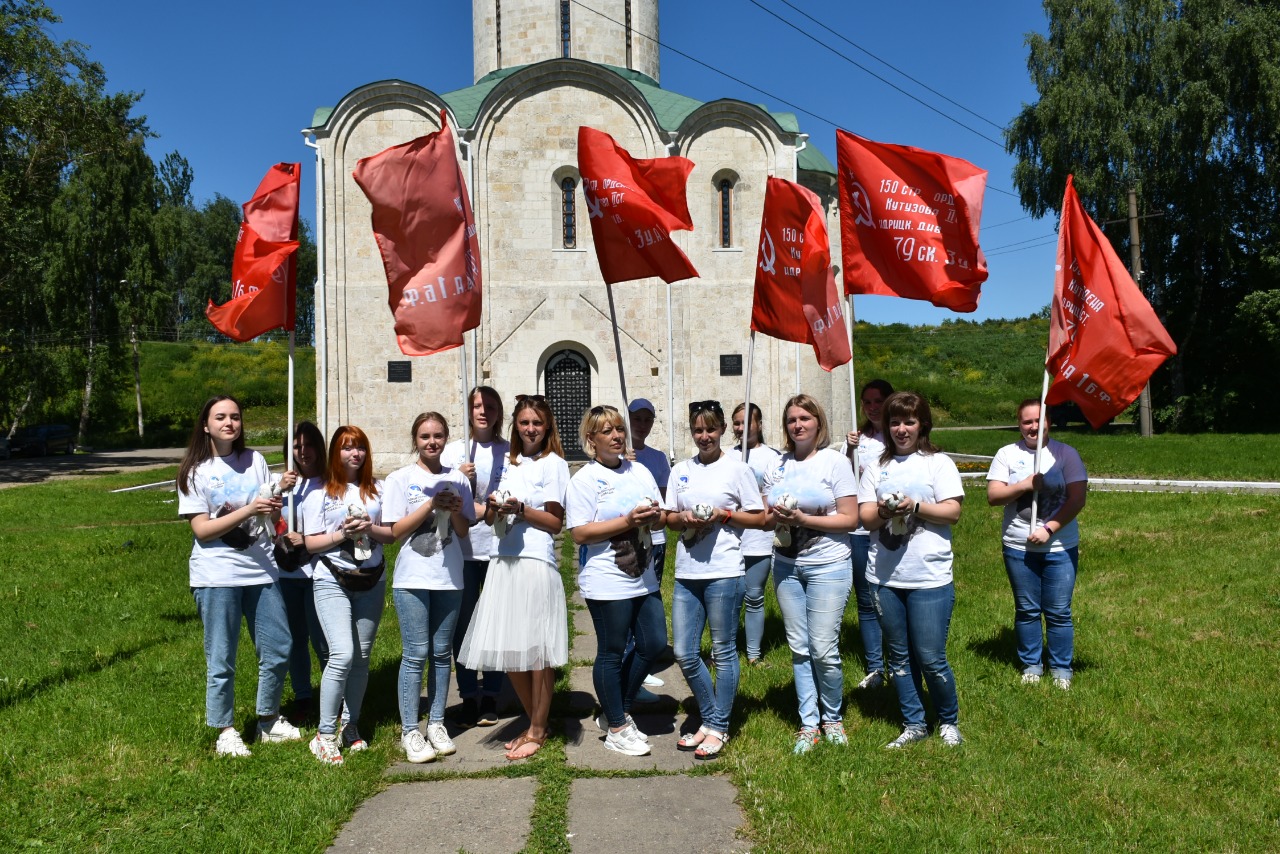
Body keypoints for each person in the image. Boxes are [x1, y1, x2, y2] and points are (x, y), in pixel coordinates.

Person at [177, 395, 301, 757]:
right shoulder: (194, 471)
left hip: (261, 569)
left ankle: (268, 719)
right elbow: (202, 530)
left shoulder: (255, 460)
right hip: (216, 575)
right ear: (206, 425)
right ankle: (225, 730)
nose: (229, 423)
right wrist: (250, 507)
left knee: (278, 647)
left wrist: (278, 491)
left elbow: (265, 506)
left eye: (235, 416)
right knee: (222, 656)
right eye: (220, 417)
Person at [458, 394, 570, 760]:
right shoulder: (511, 463)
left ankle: (538, 727)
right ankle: (534, 720)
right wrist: (493, 508)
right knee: (511, 650)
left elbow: (555, 522)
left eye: (537, 423)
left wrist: (522, 509)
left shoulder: (554, 464)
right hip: (502, 558)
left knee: (538, 650)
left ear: (547, 426)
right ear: (516, 427)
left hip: (535, 559)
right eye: (524, 423)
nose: (530, 429)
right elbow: (490, 520)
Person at [858, 391, 966, 749]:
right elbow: (864, 517)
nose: (901, 429)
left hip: (929, 576)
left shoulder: (939, 463)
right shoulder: (876, 466)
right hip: (886, 577)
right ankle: (913, 722)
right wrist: (886, 512)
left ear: (923, 425)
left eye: (909, 421)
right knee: (899, 658)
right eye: (894, 422)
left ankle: (948, 720)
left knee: (932, 657)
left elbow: (952, 511)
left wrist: (916, 505)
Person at [663, 400, 765, 759]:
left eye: (710, 429)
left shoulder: (737, 469)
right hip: (688, 572)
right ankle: (710, 718)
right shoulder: (681, 471)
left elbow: (760, 519)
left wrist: (724, 515)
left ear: (722, 429)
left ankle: (718, 726)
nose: (704, 436)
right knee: (685, 653)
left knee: (722, 651)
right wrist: (685, 519)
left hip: (724, 571)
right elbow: (668, 519)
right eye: (698, 430)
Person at [566, 405, 668, 757]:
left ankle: (616, 711)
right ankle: (618, 728)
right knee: (611, 651)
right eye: (606, 431)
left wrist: (656, 517)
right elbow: (580, 533)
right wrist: (627, 520)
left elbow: (660, 517)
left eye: (619, 429)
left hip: (643, 574)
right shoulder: (584, 480)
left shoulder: (639, 471)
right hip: (607, 578)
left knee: (654, 643)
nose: (616, 436)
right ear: (591, 440)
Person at [763, 394, 860, 754]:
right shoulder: (778, 465)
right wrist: (774, 514)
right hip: (786, 565)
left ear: (818, 423)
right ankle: (808, 723)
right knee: (799, 647)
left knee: (823, 648)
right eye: (791, 419)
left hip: (829, 564)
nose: (798, 425)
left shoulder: (834, 463)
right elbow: (764, 516)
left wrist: (804, 519)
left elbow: (850, 519)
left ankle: (833, 717)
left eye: (805, 418)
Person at [383, 412, 475, 764]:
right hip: (412, 579)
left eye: (438, 436)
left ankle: (436, 722)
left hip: (449, 578)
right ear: (415, 441)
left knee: (441, 654)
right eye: (424, 437)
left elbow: (464, 531)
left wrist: (453, 510)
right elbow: (394, 533)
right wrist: (429, 504)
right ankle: (410, 730)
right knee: (415, 653)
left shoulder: (457, 480)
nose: (432, 442)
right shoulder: (400, 479)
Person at [298, 425, 393, 765]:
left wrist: (370, 528)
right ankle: (323, 735)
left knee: (362, 657)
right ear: (334, 454)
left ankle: (349, 726)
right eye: (347, 448)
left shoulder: (378, 490)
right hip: (332, 578)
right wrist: (341, 535)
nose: (355, 454)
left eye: (360, 448)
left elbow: (390, 534)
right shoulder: (319, 493)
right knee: (342, 653)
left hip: (371, 578)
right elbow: (310, 544)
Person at [986, 398, 1087, 690]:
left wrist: (1049, 529)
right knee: (1027, 609)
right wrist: (1024, 485)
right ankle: (1031, 663)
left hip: (1060, 547)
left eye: (1038, 421)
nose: (1033, 427)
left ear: (1048, 423)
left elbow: (1077, 499)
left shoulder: (1065, 455)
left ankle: (1061, 669)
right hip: (1018, 548)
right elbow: (994, 496)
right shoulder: (1006, 454)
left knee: (1058, 611)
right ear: (1019, 425)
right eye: (1026, 421)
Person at [443, 386, 509, 727]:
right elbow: (441, 492)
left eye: (491, 407)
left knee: (495, 622)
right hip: (463, 550)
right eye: (478, 406)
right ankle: (469, 694)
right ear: (469, 411)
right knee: (465, 625)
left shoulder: (508, 451)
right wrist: (460, 479)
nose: (484, 411)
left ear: (499, 413)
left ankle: (492, 695)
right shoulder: (456, 452)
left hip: (498, 548)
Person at [839, 379, 895, 690]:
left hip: (895, 528)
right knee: (866, 598)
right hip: (862, 528)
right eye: (867, 402)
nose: (873, 407)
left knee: (891, 594)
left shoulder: (900, 435)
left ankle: (898, 658)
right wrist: (849, 449)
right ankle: (875, 666)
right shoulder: (860, 440)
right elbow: (846, 478)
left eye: (878, 401)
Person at [274, 421, 329, 720]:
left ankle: (332, 695)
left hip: (319, 572)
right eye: (297, 446)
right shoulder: (282, 484)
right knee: (295, 638)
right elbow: (268, 523)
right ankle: (303, 696)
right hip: (287, 574)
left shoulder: (329, 483)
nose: (303, 452)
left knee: (322, 640)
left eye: (309, 445)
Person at [627, 398, 671, 697]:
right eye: (637, 419)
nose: (642, 424)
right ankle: (629, 664)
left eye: (647, 419)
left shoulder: (658, 458)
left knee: (648, 599)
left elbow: (664, 500)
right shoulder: (621, 456)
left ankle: (642, 662)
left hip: (654, 540)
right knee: (627, 602)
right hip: (628, 541)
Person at [732, 402, 782, 666]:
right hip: (730, 540)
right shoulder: (726, 457)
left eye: (746, 422)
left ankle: (753, 654)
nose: (741, 428)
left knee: (754, 596)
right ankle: (723, 652)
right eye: (737, 423)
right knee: (728, 599)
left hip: (759, 540)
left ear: (759, 425)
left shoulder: (774, 458)